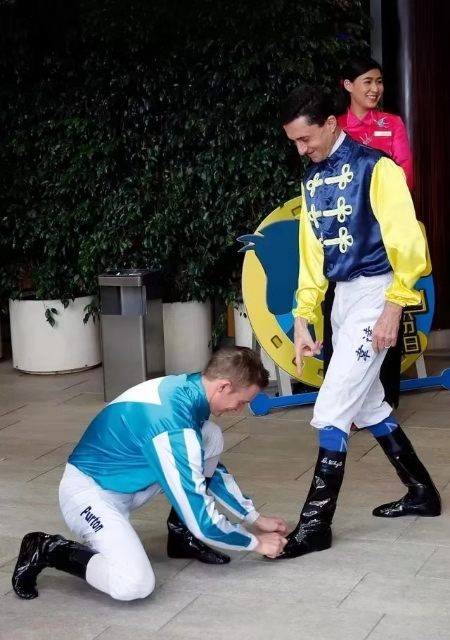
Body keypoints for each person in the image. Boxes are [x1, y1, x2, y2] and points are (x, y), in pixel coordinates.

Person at [276, 84, 441, 560]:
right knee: (368, 406)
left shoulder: (378, 168)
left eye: (305, 139)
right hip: (343, 298)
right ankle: (422, 492)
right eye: (294, 142)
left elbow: (409, 242)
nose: (301, 150)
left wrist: (395, 305)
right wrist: (303, 315)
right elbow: (312, 254)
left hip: (378, 291)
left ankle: (315, 525)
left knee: (332, 408)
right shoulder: (311, 181)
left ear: (331, 124)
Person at [12, 346, 288, 600]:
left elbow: (205, 469)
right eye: (240, 402)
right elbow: (204, 524)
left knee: (210, 436)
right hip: (90, 494)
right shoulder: (173, 426)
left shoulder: (191, 388)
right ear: (224, 386)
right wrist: (256, 543)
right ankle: (48, 549)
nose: (238, 410)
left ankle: (181, 536)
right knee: (133, 584)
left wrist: (254, 517)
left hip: (134, 481)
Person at [323, 56, 414, 412]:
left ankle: (385, 400)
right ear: (348, 85)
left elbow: (405, 176)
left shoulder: (391, 124)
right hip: (343, 236)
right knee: (338, 317)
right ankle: (345, 403)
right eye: (367, 82)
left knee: (386, 316)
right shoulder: (336, 125)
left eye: (379, 82)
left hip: (382, 235)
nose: (375, 89)